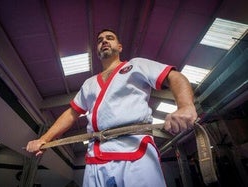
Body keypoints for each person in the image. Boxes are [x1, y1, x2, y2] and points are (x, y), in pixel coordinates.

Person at [26, 29, 198, 187]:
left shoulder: (136, 65)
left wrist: (185, 106)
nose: (104, 41)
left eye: (110, 38)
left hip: (136, 150)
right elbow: (72, 113)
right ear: (97, 50)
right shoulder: (89, 83)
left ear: (120, 46)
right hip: (96, 156)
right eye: (100, 40)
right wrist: (45, 139)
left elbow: (174, 77)